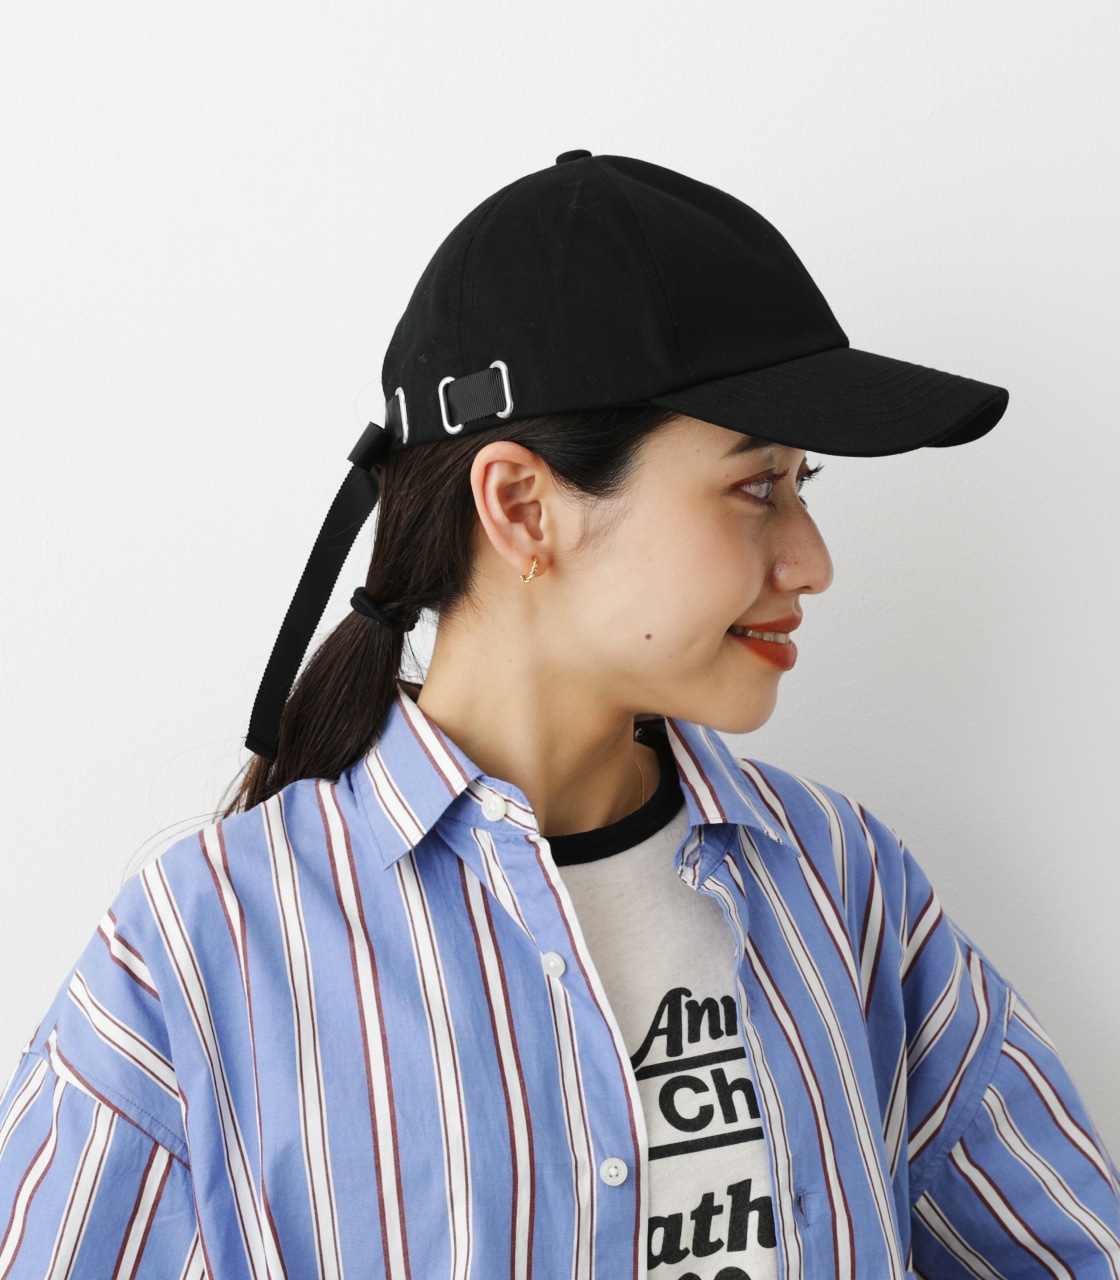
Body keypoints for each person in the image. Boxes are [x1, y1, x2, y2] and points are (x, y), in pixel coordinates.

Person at [0, 150, 1115, 1280]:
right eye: (755, 486)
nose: (812, 560)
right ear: (524, 507)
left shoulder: (844, 885)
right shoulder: (198, 954)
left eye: (803, 483)